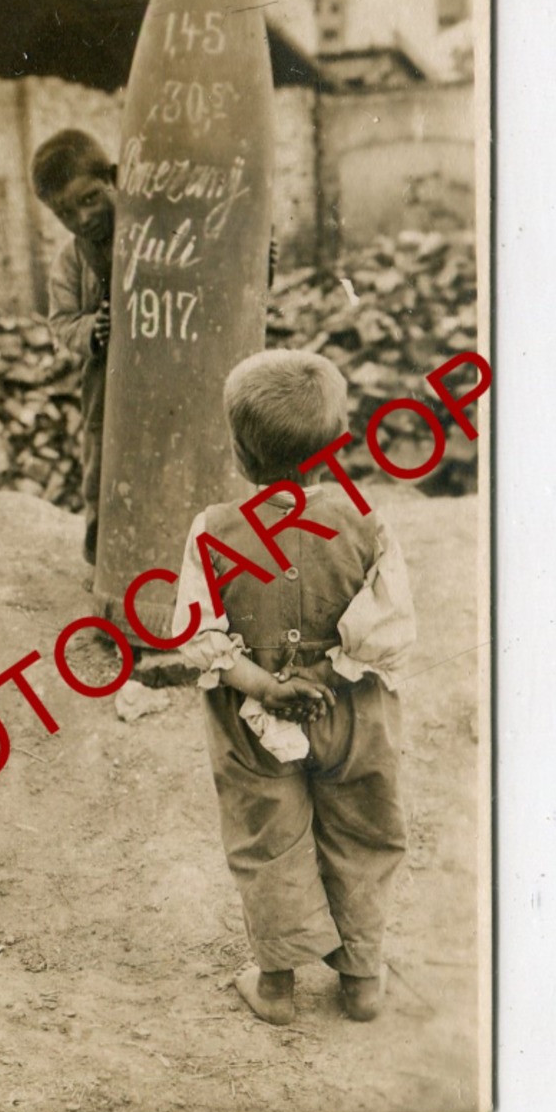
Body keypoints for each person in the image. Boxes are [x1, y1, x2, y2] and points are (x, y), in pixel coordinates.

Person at [171, 349, 415, 1025]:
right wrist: (324, 673)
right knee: (363, 830)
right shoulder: (368, 520)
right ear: (337, 446)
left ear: (241, 455)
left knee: (267, 838)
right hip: (352, 709)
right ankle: (362, 979)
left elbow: (196, 632)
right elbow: (389, 623)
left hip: (253, 719)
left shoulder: (214, 530)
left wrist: (263, 683)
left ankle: (276, 984)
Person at [30, 129, 116, 567]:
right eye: (65, 213)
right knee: (101, 467)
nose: (82, 220)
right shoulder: (70, 262)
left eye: (89, 199)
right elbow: (60, 321)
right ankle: (101, 559)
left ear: (114, 180)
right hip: (107, 382)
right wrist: (91, 331)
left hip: (165, 373)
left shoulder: (149, 231)